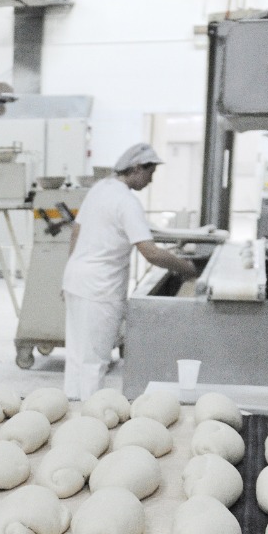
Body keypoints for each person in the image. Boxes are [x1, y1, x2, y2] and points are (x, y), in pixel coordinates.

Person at [60, 142, 198, 399]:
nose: (150, 181)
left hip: (75, 280)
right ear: (136, 168)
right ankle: (88, 419)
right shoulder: (126, 201)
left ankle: (71, 410)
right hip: (100, 287)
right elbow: (151, 252)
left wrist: (69, 270)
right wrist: (187, 268)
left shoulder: (100, 189)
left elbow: (76, 231)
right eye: (150, 174)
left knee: (77, 356)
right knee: (95, 360)